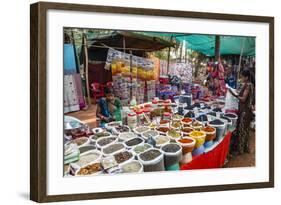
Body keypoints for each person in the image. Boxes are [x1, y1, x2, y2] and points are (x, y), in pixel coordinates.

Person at [228, 69, 254, 155]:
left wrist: (233, 94)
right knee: (244, 130)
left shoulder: (248, 86)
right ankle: (244, 148)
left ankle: (240, 150)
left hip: (245, 111)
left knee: (242, 130)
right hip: (245, 110)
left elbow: (243, 99)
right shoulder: (247, 85)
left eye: (242, 76)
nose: (241, 78)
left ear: (246, 77)